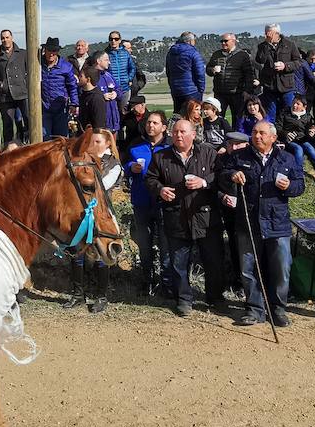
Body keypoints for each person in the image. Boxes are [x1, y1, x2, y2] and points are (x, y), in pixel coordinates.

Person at [224, 120, 303, 326]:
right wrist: (232, 175)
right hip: (248, 222)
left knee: (281, 268)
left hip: (278, 224)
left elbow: (299, 185)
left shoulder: (286, 158)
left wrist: (288, 186)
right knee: (248, 269)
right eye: (254, 132)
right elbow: (222, 175)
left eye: (262, 133)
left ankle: (278, 309)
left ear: (273, 137)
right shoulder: (239, 157)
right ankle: (254, 310)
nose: (257, 136)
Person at [146, 117, 221, 317]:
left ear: (193, 135)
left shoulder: (207, 152)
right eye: (176, 132)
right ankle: (184, 300)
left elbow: (220, 175)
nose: (178, 135)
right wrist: (160, 190)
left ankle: (215, 299)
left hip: (205, 217)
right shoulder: (161, 157)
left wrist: (204, 183)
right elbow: (150, 179)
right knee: (179, 263)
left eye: (183, 132)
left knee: (212, 260)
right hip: (176, 217)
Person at [126, 109, 169, 298]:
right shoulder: (135, 146)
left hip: (163, 203)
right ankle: (147, 281)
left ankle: (166, 283)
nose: (150, 126)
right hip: (141, 201)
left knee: (166, 244)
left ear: (164, 127)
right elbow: (123, 166)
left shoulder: (169, 148)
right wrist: (131, 168)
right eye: (148, 122)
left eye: (155, 123)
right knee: (144, 244)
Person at [207, 33, 259, 122]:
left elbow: (249, 74)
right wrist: (212, 70)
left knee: (237, 118)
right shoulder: (216, 54)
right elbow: (208, 69)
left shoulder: (242, 55)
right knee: (218, 117)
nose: (223, 43)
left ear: (233, 41)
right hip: (220, 93)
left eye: (225, 41)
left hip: (237, 94)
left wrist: (247, 92)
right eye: (222, 41)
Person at [0, 28, 29, 144]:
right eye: (2, 38)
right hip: (6, 96)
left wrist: (25, 84)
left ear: (12, 38)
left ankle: (29, 145)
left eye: (7, 37)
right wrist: (2, 85)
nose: (5, 40)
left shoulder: (23, 53)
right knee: (7, 125)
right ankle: (8, 150)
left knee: (28, 121)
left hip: (22, 93)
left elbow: (30, 71)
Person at [254, 24, 302, 113]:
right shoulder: (262, 46)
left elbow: (298, 62)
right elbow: (260, 60)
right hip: (270, 86)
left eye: (270, 33)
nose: (268, 35)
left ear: (277, 33)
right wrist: (267, 44)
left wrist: (285, 66)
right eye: (266, 33)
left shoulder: (289, 44)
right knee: (270, 114)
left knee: (289, 112)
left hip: (286, 86)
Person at [276, 94, 315, 186]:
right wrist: (286, 134)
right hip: (289, 141)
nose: (294, 105)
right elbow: (277, 127)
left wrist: (311, 134)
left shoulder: (308, 117)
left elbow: (310, 132)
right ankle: (297, 176)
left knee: (312, 151)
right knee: (299, 150)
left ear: (304, 107)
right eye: (293, 102)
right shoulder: (285, 113)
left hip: (303, 140)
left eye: (298, 104)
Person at [40, 38, 78, 139]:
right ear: (45, 50)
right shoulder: (38, 65)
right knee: (45, 138)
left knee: (61, 139)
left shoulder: (66, 67)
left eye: (54, 51)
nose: (51, 54)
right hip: (44, 109)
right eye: (49, 50)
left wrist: (74, 103)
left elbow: (72, 86)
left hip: (61, 109)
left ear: (57, 51)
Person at [165, 31, 205, 115]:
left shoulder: (171, 53)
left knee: (178, 115)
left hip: (176, 90)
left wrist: (172, 86)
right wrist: (201, 90)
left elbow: (168, 71)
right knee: (193, 116)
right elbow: (200, 73)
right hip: (191, 91)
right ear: (190, 41)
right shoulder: (193, 53)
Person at [106, 30, 137, 114]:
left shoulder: (125, 53)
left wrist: (129, 79)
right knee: (113, 113)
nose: (113, 41)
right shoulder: (106, 54)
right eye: (111, 39)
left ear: (120, 40)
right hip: (112, 90)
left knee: (124, 113)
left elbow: (132, 68)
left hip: (125, 88)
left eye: (116, 39)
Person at [93, 51, 121, 132]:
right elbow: (86, 95)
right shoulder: (91, 77)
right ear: (98, 61)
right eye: (106, 60)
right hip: (101, 124)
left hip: (114, 122)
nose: (109, 62)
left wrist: (116, 93)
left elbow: (119, 90)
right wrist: (102, 97)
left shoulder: (109, 75)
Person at [77, 65, 109, 134]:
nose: (78, 78)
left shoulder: (96, 98)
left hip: (91, 138)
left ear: (88, 79)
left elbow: (99, 125)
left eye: (81, 76)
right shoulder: (83, 95)